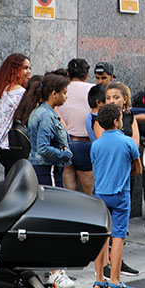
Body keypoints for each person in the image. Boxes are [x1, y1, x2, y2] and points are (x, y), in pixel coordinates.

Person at [90, 103, 141, 288]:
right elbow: (138, 168)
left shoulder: (96, 144)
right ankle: (115, 280)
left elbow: (96, 166)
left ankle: (99, 279)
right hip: (120, 194)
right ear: (116, 121)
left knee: (101, 235)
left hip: (100, 194)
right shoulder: (128, 142)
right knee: (118, 236)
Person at [19, 74, 73, 185]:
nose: (66, 97)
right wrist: (64, 155)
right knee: (51, 200)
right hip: (47, 169)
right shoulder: (47, 116)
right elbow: (43, 148)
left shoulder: (39, 112)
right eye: (64, 93)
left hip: (42, 167)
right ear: (54, 94)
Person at [0, 53, 32, 174]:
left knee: (10, 183)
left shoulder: (6, 89)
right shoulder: (20, 92)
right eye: (25, 68)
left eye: (30, 68)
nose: (29, 72)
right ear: (14, 70)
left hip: (3, 146)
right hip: (15, 145)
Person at [57, 58, 94, 193]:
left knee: (68, 190)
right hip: (84, 143)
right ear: (86, 75)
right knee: (88, 190)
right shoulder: (93, 90)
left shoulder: (60, 89)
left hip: (63, 142)